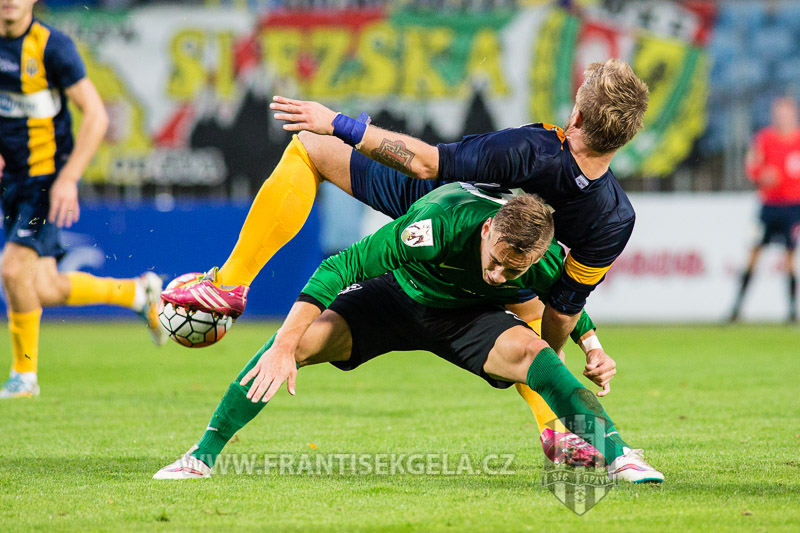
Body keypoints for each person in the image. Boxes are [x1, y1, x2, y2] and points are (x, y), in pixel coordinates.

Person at [163, 58, 648, 451]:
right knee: (527, 296)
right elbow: (565, 306)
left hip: (441, 208)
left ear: (576, 117)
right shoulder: (613, 218)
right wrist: (586, 346)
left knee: (311, 145)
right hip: (507, 254)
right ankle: (558, 429)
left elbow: (424, 162)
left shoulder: (535, 147)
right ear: (624, 141)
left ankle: (230, 282)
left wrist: (338, 123)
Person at [155, 183, 663, 482]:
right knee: (295, 343)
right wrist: (285, 344)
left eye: (513, 271)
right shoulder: (437, 224)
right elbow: (341, 266)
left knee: (537, 355)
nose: (498, 275)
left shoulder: (541, 256)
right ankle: (201, 456)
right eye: (495, 261)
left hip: (468, 318)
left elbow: (566, 304)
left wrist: (592, 347)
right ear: (488, 229)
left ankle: (619, 456)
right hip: (397, 297)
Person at [0, 0, 165, 399]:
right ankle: (136, 293)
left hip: (45, 182)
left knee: (13, 270)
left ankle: (24, 376)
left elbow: (96, 115)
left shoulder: (52, 47)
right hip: (13, 184)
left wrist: (69, 178)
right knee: (43, 287)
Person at [730, 96, 800, 323]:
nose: (782, 117)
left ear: (793, 114)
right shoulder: (764, 139)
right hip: (768, 207)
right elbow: (752, 166)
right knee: (753, 254)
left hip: (793, 208)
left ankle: (791, 312)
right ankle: (736, 309)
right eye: (779, 113)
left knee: (789, 259)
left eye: (786, 113)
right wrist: (761, 176)